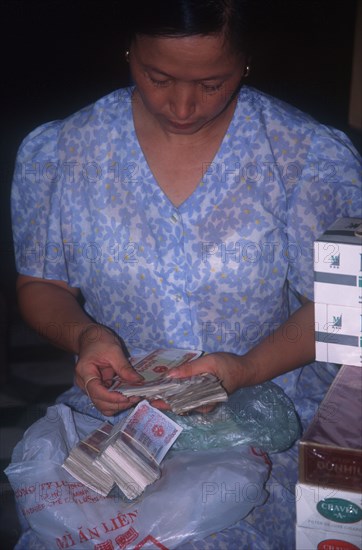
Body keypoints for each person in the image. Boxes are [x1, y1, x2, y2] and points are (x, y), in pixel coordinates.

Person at [10, 0, 362, 548]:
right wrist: (87, 336)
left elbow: (343, 304)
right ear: (129, 49)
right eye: (157, 77)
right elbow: (42, 284)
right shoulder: (61, 151)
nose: (181, 105)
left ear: (246, 62)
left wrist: (245, 368)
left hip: (263, 411)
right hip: (121, 410)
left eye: (212, 83)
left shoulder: (304, 156)